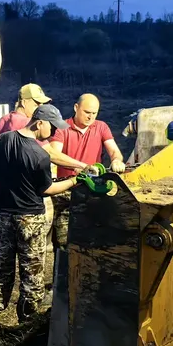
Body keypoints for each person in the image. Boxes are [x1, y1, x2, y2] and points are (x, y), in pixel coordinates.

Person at [0, 84, 91, 277]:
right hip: (24, 201)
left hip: (0, 193)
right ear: (24, 101)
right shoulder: (26, 124)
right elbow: (50, 154)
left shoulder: (2, 121)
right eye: (37, 103)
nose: (39, 108)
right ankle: (26, 293)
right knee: (29, 254)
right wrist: (81, 166)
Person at [0, 104, 79, 328]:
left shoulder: (4, 140)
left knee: (0, 266)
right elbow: (46, 190)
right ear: (40, 122)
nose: (54, 133)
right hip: (30, 219)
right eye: (52, 127)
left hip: (3, 215)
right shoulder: (39, 154)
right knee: (32, 270)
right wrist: (74, 181)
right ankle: (26, 320)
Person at [48, 93, 126, 252]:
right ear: (76, 108)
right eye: (87, 112)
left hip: (93, 189)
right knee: (65, 241)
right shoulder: (62, 128)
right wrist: (81, 167)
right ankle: (63, 272)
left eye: (94, 113)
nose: (90, 117)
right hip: (67, 190)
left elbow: (113, 150)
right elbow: (54, 155)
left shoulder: (101, 127)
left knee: (93, 236)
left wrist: (117, 160)